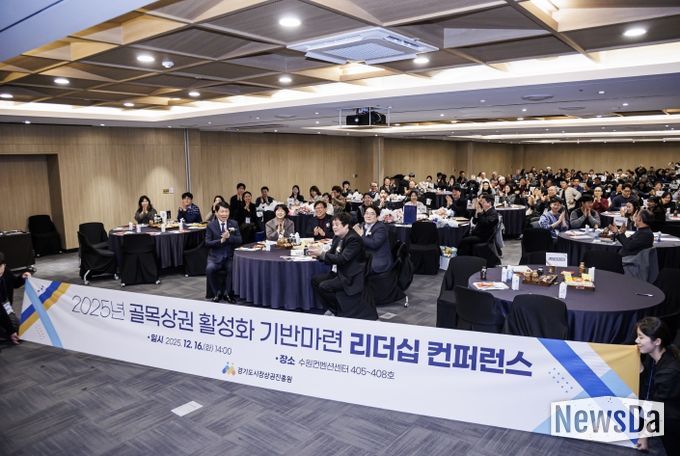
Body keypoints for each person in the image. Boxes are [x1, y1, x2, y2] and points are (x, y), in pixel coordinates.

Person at [309, 212, 376, 320]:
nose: (334, 227)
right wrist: (318, 255)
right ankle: (333, 308)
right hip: (338, 272)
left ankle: (338, 310)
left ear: (346, 225)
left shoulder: (353, 239)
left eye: (337, 225)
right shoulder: (337, 237)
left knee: (324, 286)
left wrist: (322, 254)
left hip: (350, 275)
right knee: (315, 280)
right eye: (333, 225)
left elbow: (342, 259)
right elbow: (331, 253)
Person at [635, 317, 680, 455]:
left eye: (641, 337)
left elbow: (659, 408)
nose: (636, 341)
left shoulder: (669, 372)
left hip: (672, 424)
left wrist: (644, 436)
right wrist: (641, 369)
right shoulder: (652, 357)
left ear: (657, 341)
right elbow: (649, 389)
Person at [205, 202, 242, 303]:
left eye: (226, 211)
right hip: (215, 257)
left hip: (229, 256)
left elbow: (239, 240)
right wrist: (221, 241)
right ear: (216, 213)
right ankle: (216, 293)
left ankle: (227, 293)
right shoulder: (211, 225)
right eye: (222, 211)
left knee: (232, 268)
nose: (224, 214)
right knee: (209, 269)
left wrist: (229, 237)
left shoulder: (234, 223)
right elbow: (207, 243)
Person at [0, 252, 31, 345]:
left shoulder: (6, 272)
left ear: (4, 265)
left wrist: (22, 277)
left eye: (1, 266)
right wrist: (11, 331)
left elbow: (15, 283)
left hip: (4, 304)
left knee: (18, 331)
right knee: (9, 331)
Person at [354, 206, 392, 274]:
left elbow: (374, 244)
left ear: (377, 217)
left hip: (378, 260)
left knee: (353, 267)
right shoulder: (363, 225)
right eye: (366, 213)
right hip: (367, 256)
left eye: (372, 214)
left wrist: (361, 236)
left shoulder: (381, 228)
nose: (368, 216)